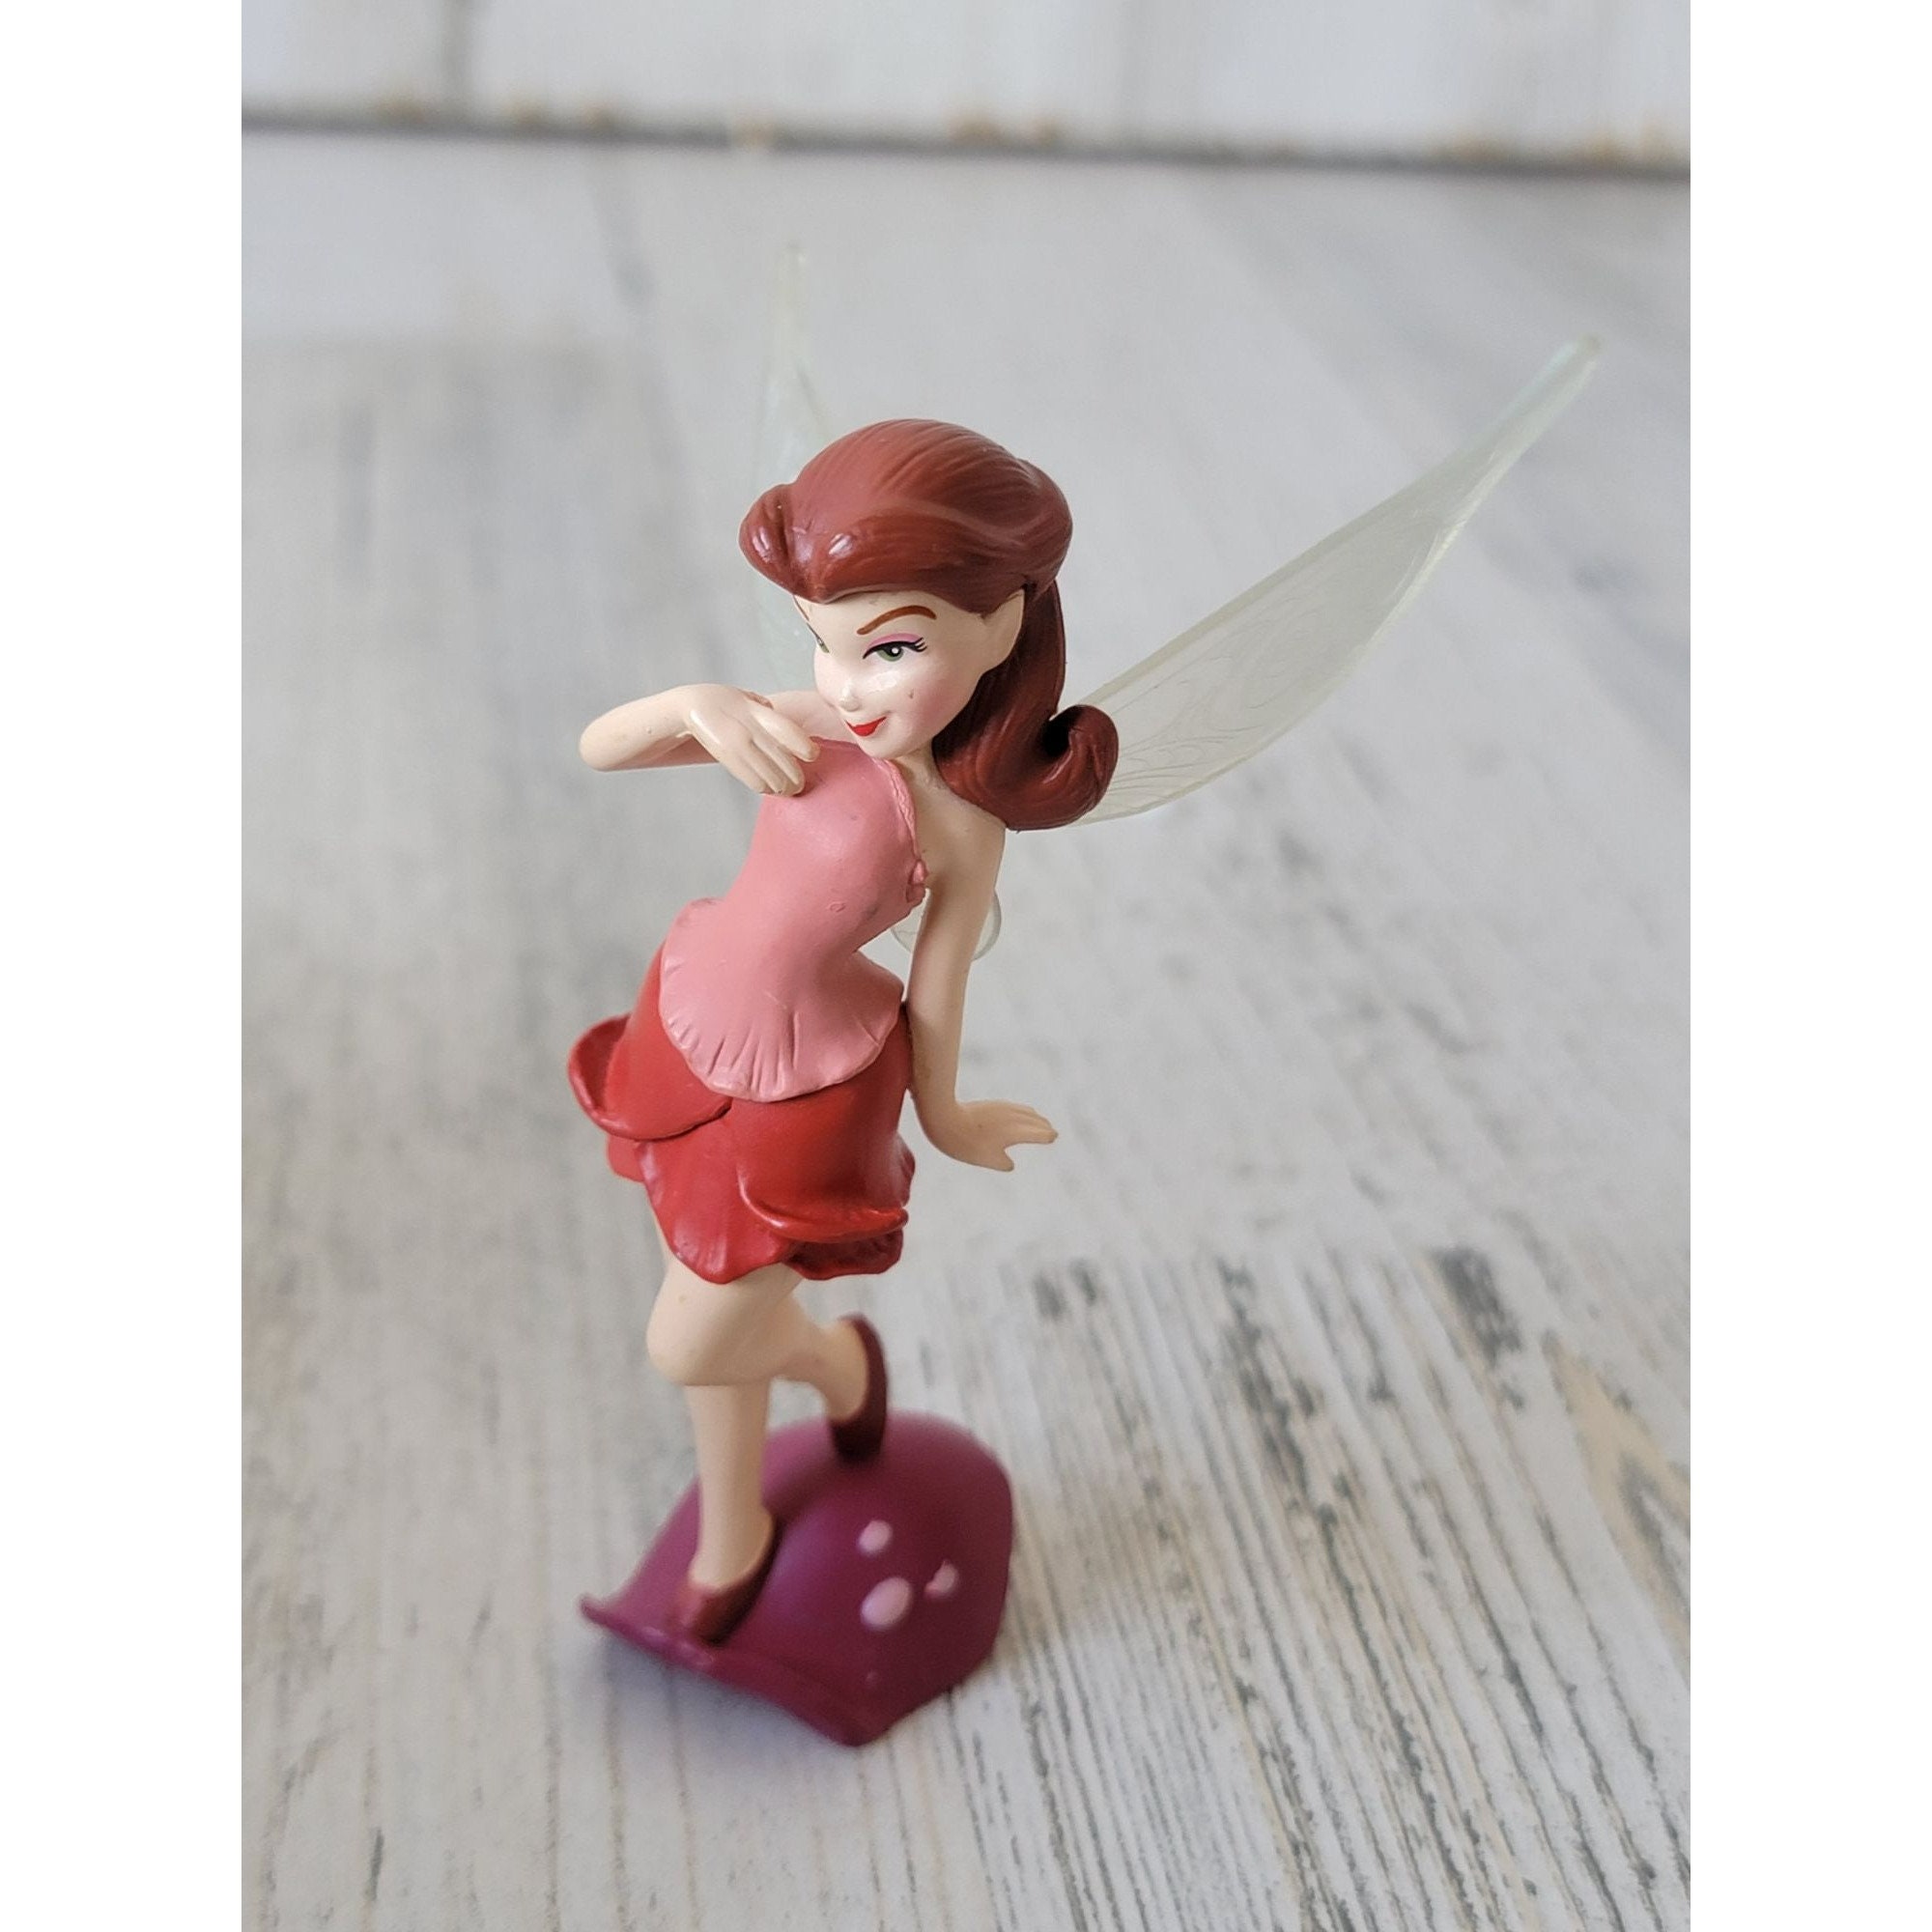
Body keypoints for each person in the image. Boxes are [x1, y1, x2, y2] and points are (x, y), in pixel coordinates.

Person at [571, 418, 1119, 1640]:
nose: (843, 685)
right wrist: (693, 704)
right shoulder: (807, 720)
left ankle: (830, 1367)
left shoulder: (962, 825)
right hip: (690, 1014)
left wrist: (945, 1110)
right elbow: (600, 748)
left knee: (691, 1336)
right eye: (822, 642)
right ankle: (735, 1524)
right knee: (703, 1284)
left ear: (1002, 625)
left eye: (889, 649)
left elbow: (937, 977)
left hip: (814, 1080)